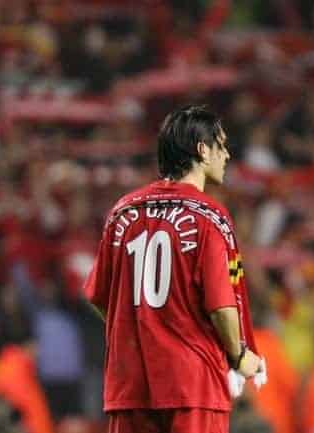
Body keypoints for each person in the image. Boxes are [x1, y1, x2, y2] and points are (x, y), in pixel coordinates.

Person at [84, 105, 265, 433]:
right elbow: (222, 307)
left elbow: (99, 296)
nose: (225, 155)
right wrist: (240, 356)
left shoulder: (122, 212)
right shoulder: (209, 216)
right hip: (192, 385)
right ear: (202, 150)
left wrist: (141, 330)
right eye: (221, 145)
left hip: (130, 386)